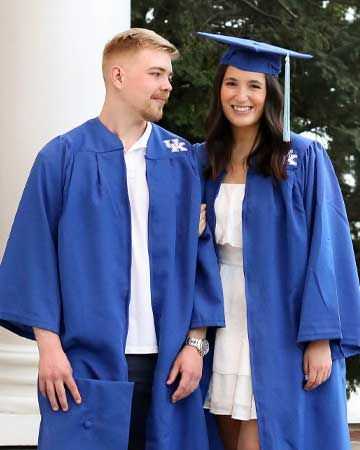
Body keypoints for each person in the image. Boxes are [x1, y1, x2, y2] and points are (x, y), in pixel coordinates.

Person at [0, 28, 224, 450]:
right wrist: (49, 349)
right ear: (118, 76)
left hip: (169, 365)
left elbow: (201, 261)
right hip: (85, 363)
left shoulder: (181, 161)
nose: (168, 85)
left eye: (168, 76)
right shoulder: (62, 157)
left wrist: (196, 345)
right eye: (156, 74)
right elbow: (33, 258)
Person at [195, 32, 360, 450]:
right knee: (223, 435)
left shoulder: (300, 158)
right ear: (220, 91)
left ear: (270, 95)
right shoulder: (201, 159)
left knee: (265, 434)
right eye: (231, 83)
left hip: (281, 322)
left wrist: (320, 337)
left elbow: (325, 249)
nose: (241, 96)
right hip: (219, 317)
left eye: (254, 86)